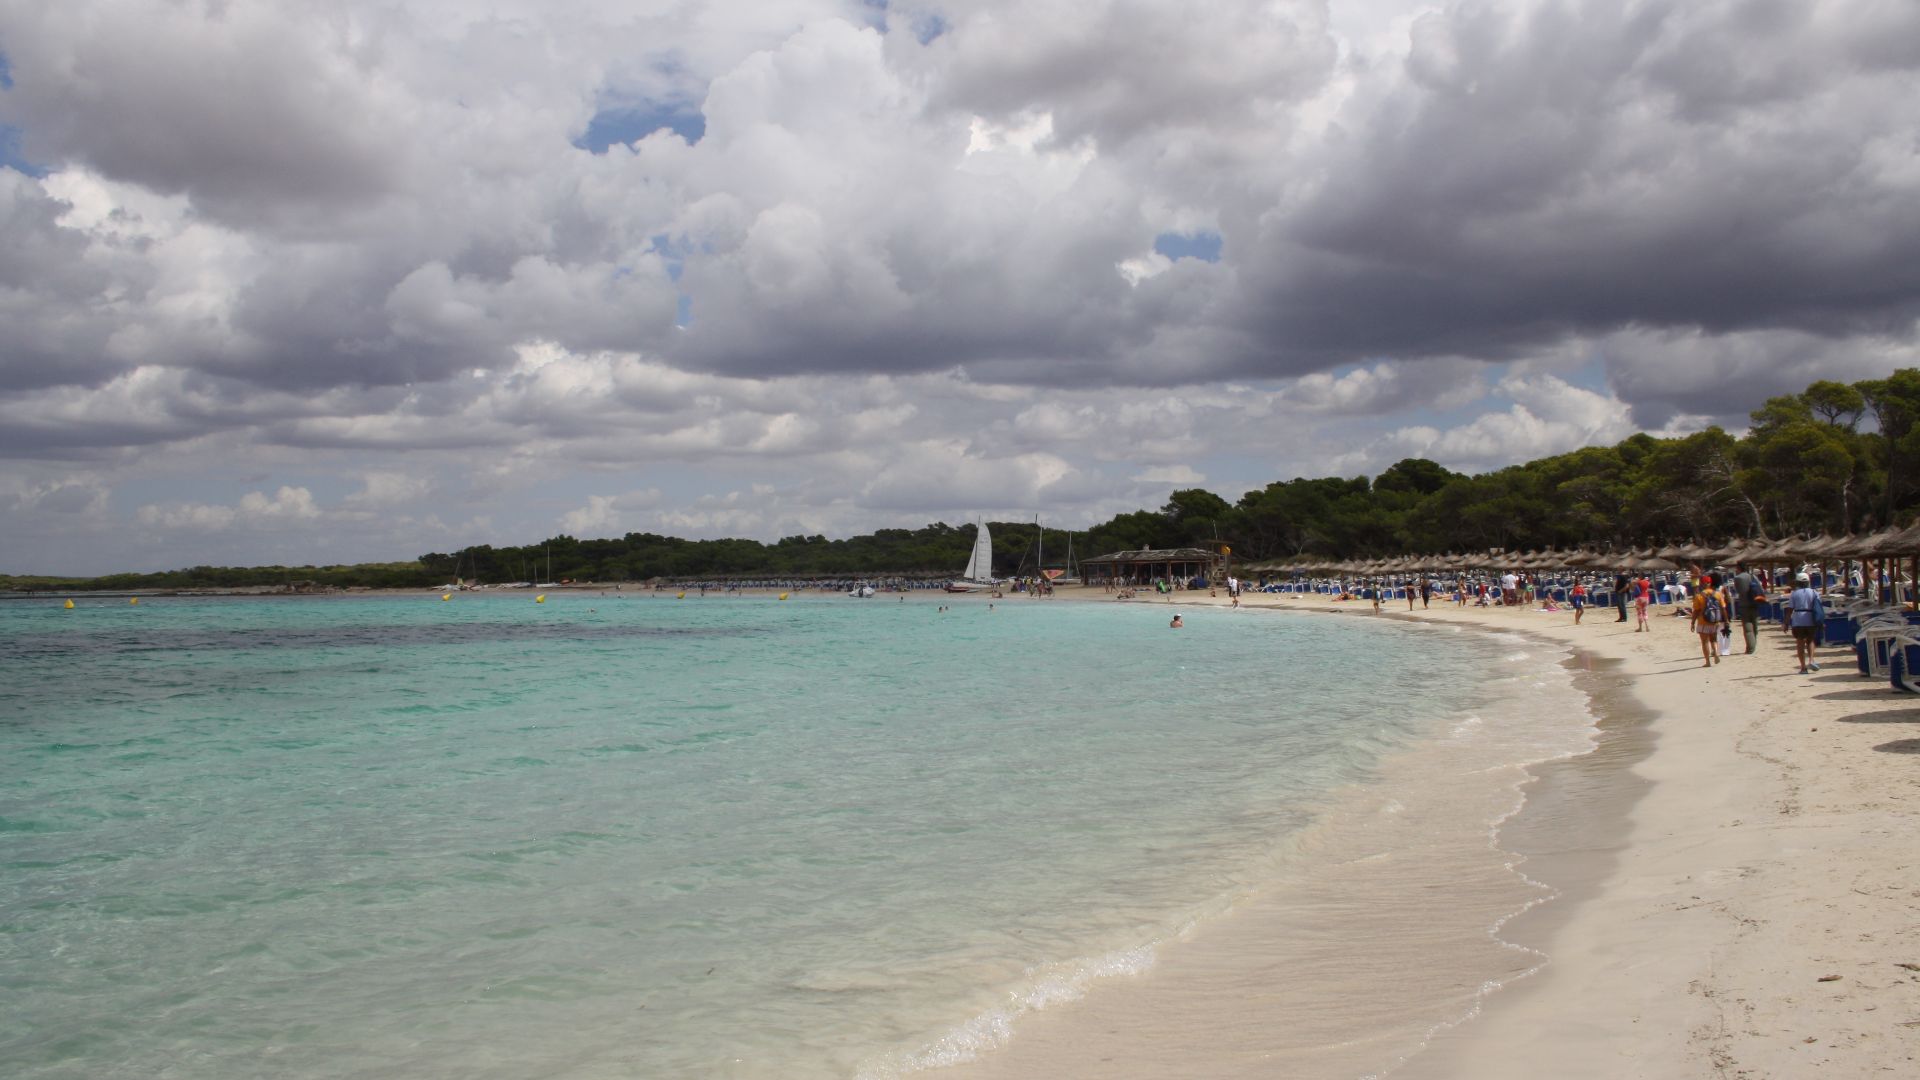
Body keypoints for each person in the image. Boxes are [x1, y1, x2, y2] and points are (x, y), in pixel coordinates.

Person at [1787, 573, 1825, 674]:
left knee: (1800, 642)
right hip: (1811, 618)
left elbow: (1790, 609)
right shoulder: (1814, 592)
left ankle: (1803, 668)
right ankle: (1811, 660)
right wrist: (1821, 622)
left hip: (1798, 619)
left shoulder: (1794, 594)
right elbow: (1819, 607)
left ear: (1797, 582)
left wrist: (1786, 623)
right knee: (1810, 640)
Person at [1692, 577, 1727, 666]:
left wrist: (1692, 622)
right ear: (1710, 583)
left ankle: (1708, 662)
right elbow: (1723, 608)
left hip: (1703, 621)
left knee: (1705, 642)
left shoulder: (1699, 596)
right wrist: (1726, 620)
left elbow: (1696, 611)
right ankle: (1715, 652)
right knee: (1713, 639)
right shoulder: (1718, 594)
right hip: (1715, 620)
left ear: (1701, 584)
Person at [1731, 562, 1763, 654]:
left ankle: (1750, 648)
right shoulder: (1752, 576)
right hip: (1755, 603)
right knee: (1755, 625)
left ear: (1739, 568)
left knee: (1748, 627)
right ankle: (1753, 644)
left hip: (1744, 604)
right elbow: (1760, 588)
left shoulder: (1738, 578)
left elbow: (1738, 591)